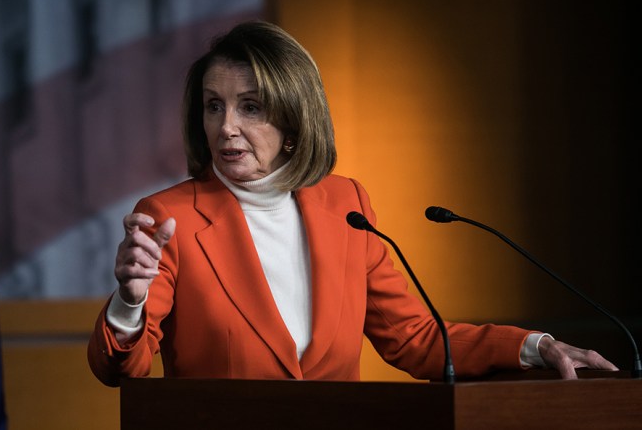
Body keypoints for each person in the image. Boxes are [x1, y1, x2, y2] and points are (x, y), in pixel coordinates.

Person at [87, 20, 617, 386]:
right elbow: (119, 370)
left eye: (250, 107)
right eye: (213, 107)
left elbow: (415, 339)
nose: (226, 127)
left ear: (293, 120)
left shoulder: (346, 204)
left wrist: (537, 346)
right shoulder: (169, 217)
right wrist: (129, 303)